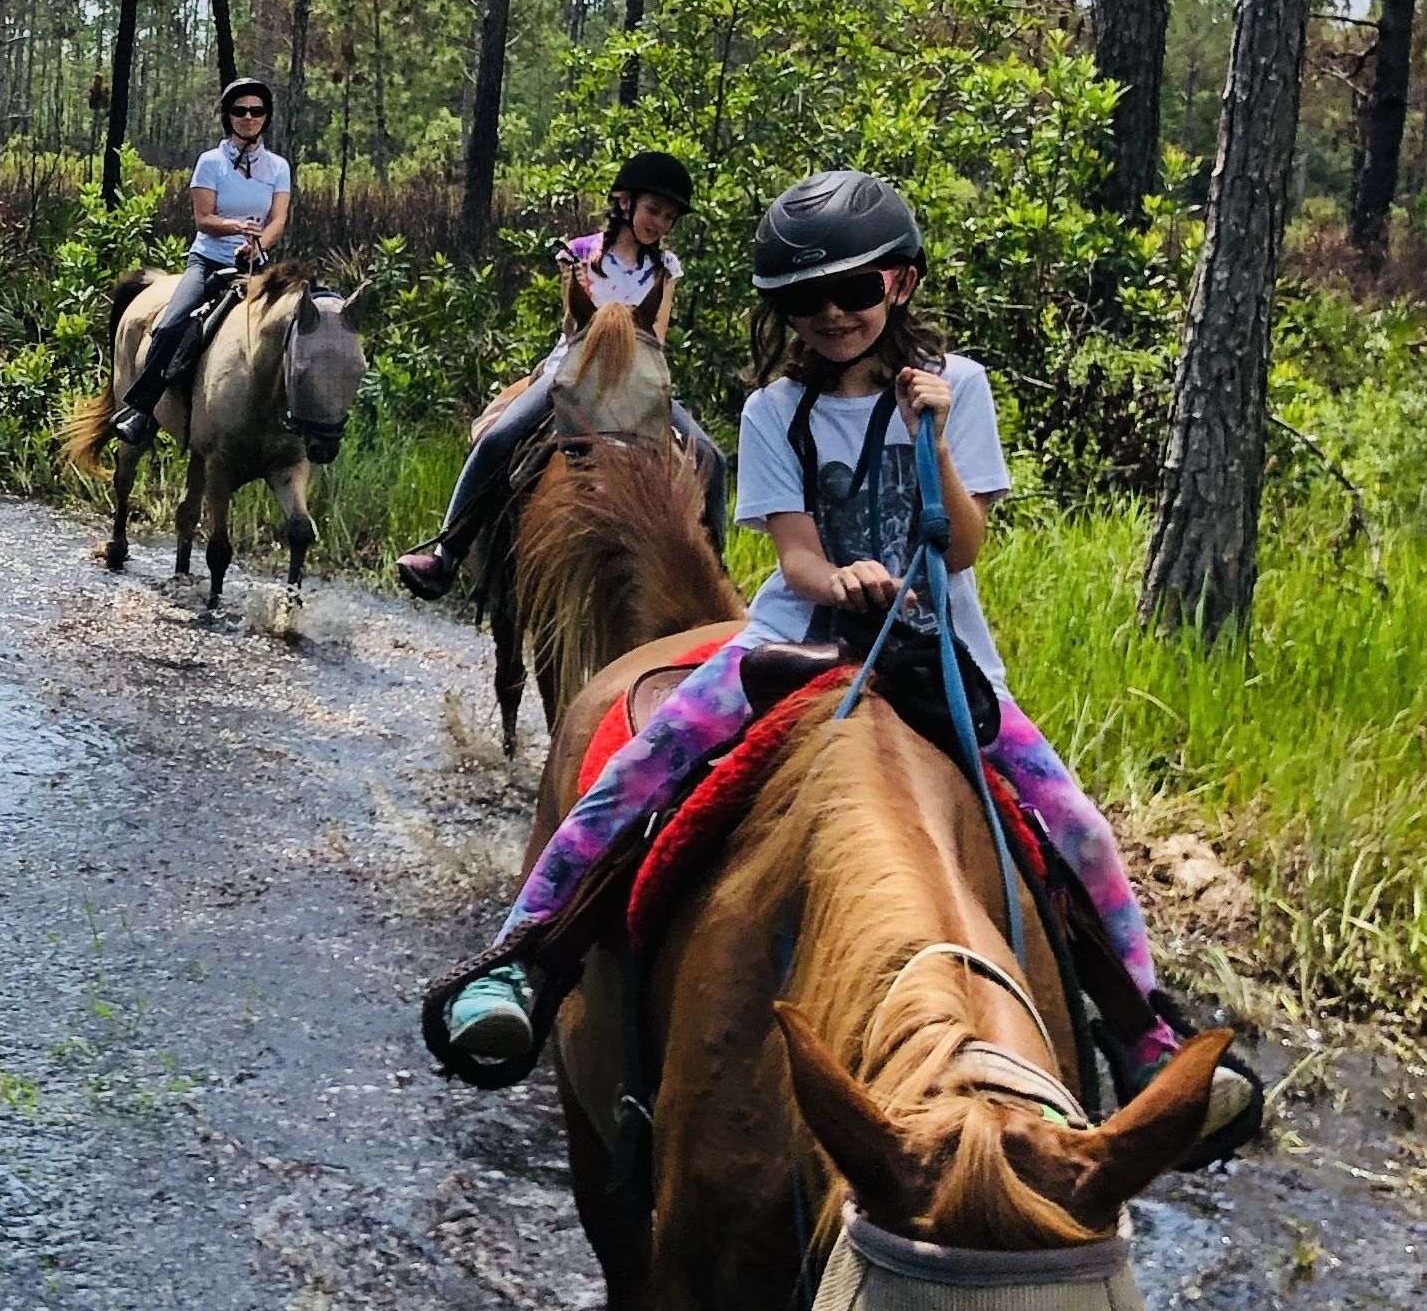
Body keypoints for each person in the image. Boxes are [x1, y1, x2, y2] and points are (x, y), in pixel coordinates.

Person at [430, 169, 1259, 1150]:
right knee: (634, 775)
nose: (830, 314)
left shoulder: (966, 388)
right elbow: (795, 559)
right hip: (794, 639)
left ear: (899, 286)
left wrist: (934, 433)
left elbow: (959, 547)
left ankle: (1140, 1031)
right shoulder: (773, 409)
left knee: (1074, 824)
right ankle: (525, 956)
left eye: (854, 291)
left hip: (938, 656)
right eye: (804, 300)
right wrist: (842, 582)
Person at [395, 152, 726, 599]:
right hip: (574, 370)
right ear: (625, 203)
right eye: (654, 211)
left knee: (711, 456)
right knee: (498, 439)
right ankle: (447, 552)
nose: (660, 224)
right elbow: (574, 326)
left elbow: (657, 335)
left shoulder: (665, 270)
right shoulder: (580, 253)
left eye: (669, 217)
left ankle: (714, 577)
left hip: (637, 380)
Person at [108, 79, 294, 449]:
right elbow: (203, 219)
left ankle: (288, 421)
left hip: (254, 267)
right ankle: (141, 410)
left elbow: (278, 219)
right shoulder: (211, 162)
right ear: (228, 117)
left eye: (256, 111)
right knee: (172, 324)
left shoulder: (277, 166)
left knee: (291, 330)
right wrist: (237, 227)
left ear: (265, 117)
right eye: (240, 111)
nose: (248, 117)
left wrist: (259, 245)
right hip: (208, 260)